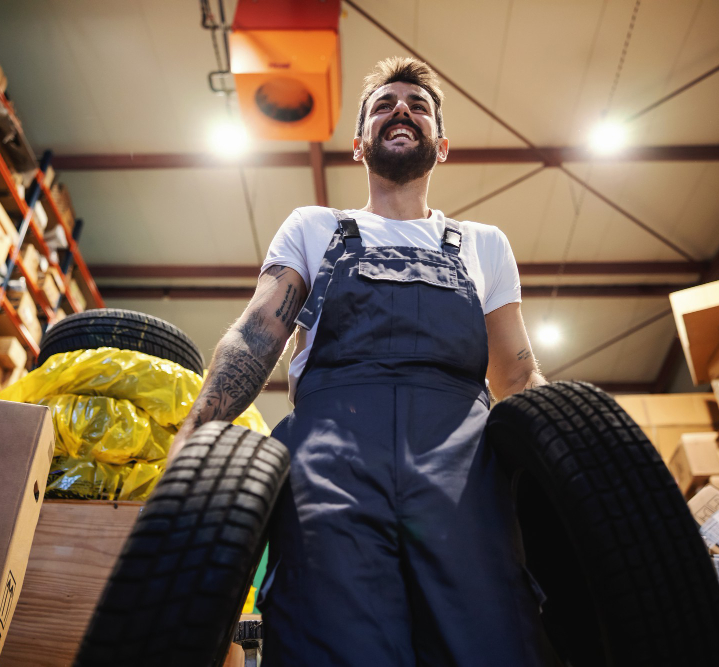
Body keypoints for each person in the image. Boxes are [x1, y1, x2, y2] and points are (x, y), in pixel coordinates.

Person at [169, 57, 547, 666]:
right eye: (384, 104)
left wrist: (573, 463)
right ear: (358, 145)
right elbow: (258, 331)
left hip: (465, 465)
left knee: (489, 636)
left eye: (418, 105)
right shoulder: (316, 228)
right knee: (332, 635)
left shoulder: (484, 244)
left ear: (442, 145)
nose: (401, 109)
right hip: (330, 458)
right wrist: (196, 431)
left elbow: (518, 374)